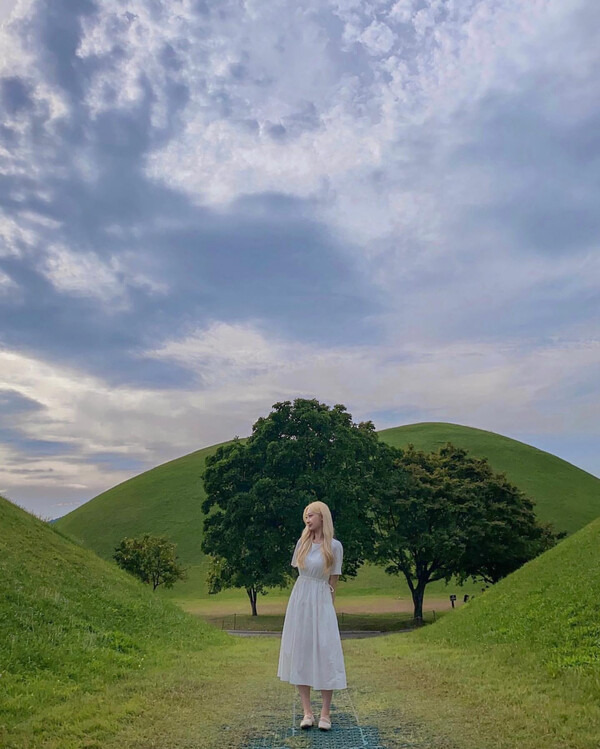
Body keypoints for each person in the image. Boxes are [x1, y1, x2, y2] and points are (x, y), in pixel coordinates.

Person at [277, 500, 347, 731]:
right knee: (302, 652)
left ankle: (325, 713)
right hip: (301, 600)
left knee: (326, 652)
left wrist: (329, 607)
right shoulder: (302, 543)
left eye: (311, 515)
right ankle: (307, 712)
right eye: (306, 516)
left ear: (322, 517)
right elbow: (300, 572)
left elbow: (333, 580)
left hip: (322, 599)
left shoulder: (334, 546)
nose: (308, 520)